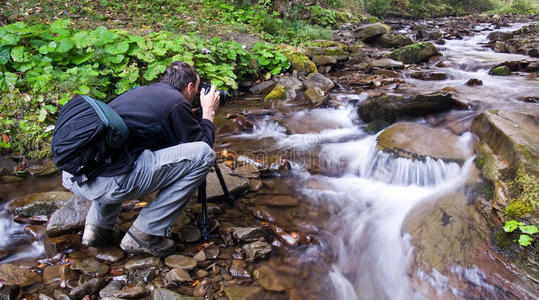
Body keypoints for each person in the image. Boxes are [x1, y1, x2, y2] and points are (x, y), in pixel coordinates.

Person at [61, 61, 221, 257]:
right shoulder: (177, 103)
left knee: (120, 155)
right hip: (108, 185)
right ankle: (145, 235)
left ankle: (98, 230)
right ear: (189, 87)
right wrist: (208, 114)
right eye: (196, 91)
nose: (196, 96)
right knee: (204, 156)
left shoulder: (138, 93)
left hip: (75, 175)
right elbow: (202, 145)